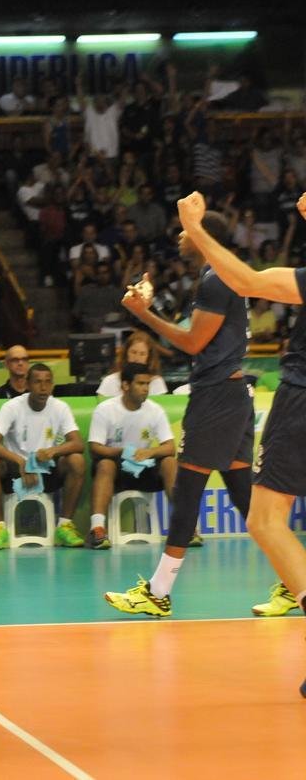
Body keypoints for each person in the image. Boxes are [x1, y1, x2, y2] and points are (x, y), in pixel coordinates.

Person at [104, 205, 255, 618]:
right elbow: (197, 339)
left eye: (186, 230)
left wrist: (143, 314)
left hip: (217, 398)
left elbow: (191, 343)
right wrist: (151, 310)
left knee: (187, 492)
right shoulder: (222, 274)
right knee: (246, 497)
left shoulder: (216, 278)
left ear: (203, 234)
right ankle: (296, 582)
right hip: (230, 394)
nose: (179, 237)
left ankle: (158, 592)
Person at [166, 193, 306, 636]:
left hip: (299, 398)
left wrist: (196, 226)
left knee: (264, 519)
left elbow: (246, 281)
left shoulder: (216, 281)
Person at [0, 363, 87, 550]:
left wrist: (53, 451)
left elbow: (78, 443)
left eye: (48, 382)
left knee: (76, 460)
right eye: (38, 382)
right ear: (27, 384)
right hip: (16, 471)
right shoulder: (12, 406)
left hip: (47, 469)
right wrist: (20, 461)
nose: (43, 387)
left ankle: (64, 526)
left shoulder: (60, 407)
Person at [86, 363, 177, 550]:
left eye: (147, 384)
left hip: (144, 470)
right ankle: (97, 529)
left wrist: (149, 452)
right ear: (126, 385)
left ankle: (185, 527)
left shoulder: (155, 410)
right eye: (140, 384)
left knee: (169, 462)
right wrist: (123, 452)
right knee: (105, 464)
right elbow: (94, 448)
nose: (145, 389)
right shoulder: (105, 409)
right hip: (116, 472)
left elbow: (170, 447)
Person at [95, 331, 169, 397]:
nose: (137, 358)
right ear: (126, 353)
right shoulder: (110, 381)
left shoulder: (157, 382)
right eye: (133, 352)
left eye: (142, 354)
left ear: (149, 357)